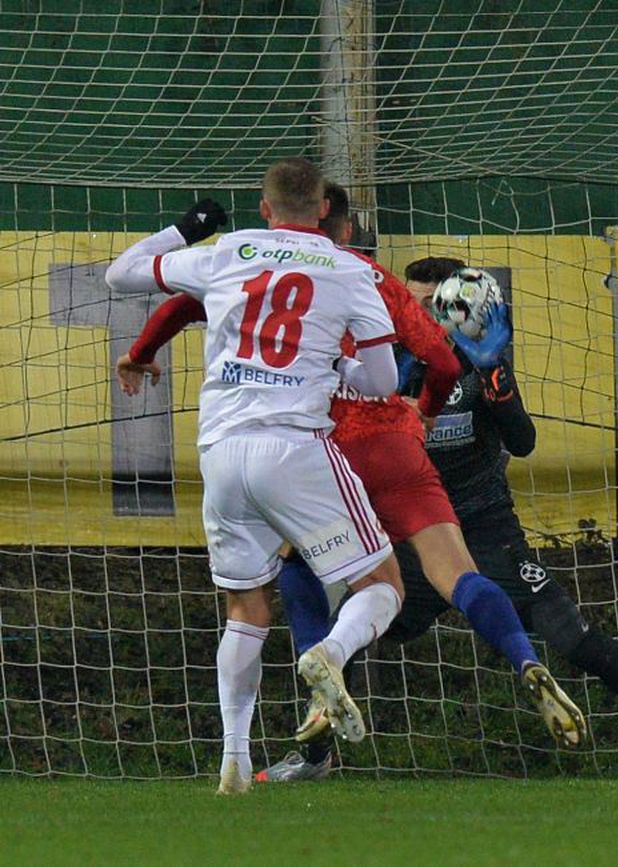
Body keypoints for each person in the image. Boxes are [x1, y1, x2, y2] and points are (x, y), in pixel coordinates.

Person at [116, 183, 587, 774]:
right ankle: (523, 660)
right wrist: (428, 409)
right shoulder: (370, 277)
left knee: (295, 572)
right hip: (395, 445)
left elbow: (181, 304)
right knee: (451, 571)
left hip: (318, 445)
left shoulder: (246, 259)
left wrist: (139, 350)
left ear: (277, 212)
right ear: (345, 227)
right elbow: (438, 363)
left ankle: (316, 704)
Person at [262, 255, 618, 783]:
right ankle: (316, 759)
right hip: (416, 537)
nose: (418, 312)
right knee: (349, 628)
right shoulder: (383, 366)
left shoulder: (477, 362)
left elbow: (524, 441)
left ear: (459, 308)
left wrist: (494, 373)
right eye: (412, 301)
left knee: (575, 640)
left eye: (433, 304)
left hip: (487, 531)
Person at [105, 158, 408, 794]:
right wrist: (335, 373)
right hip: (294, 447)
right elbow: (382, 382)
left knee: (245, 606)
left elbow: (122, 273)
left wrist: (186, 229)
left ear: (265, 209)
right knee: (380, 583)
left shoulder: (228, 251)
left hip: (219, 451)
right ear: (324, 210)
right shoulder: (351, 269)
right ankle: (332, 653)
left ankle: (234, 762)